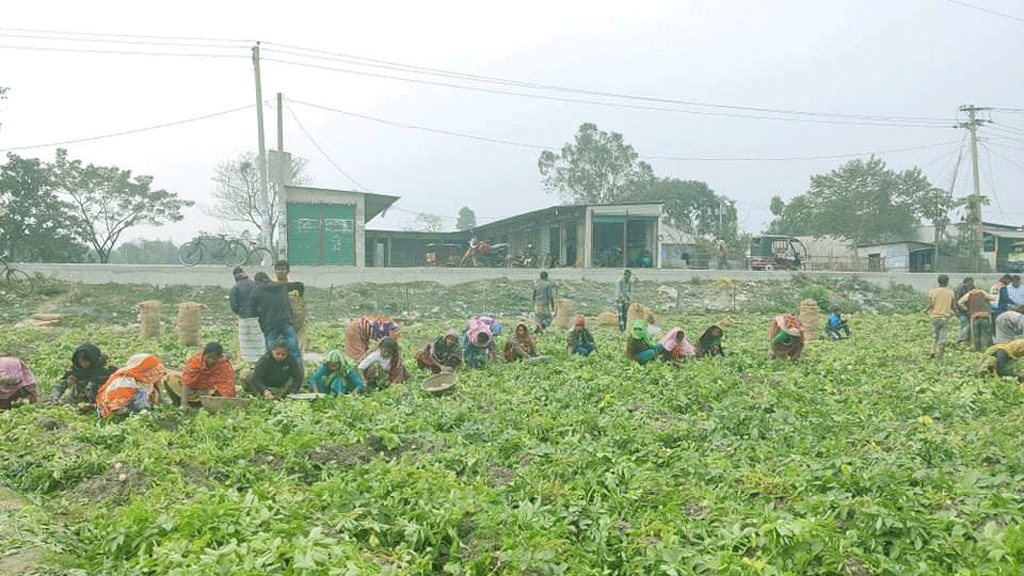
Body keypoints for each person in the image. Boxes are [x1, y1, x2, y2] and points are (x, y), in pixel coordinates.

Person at [249, 272, 302, 362]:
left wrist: (261, 314)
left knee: (271, 350)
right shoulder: (281, 286)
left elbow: (252, 310)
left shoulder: (256, 291)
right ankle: (297, 366)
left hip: (270, 324)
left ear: (257, 282)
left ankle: (270, 366)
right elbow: (299, 285)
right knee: (293, 347)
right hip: (286, 321)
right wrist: (301, 295)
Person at [95, 354, 166, 418]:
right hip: (119, 410)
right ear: (144, 368)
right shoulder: (125, 381)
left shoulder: (143, 379)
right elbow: (115, 406)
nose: (154, 373)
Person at [51, 342, 116, 405]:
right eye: (81, 362)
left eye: (86, 362)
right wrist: (56, 396)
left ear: (92, 359)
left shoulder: (105, 368)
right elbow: (62, 385)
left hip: (102, 397)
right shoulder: (76, 369)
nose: (83, 365)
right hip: (80, 398)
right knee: (71, 379)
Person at [177, 342, 235, 409]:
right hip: (192, 390)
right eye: (209, 357)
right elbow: (186, 382)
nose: (211, 361)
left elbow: (228, 387)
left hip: (210, 391)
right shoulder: (196, 361)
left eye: (214, 359)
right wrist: (184, 404)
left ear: (219, 358)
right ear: (204, 355)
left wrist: (226, 404)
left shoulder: (224, 366)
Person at [229, 267, 264, 363]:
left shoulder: (235, 288)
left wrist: (240, 312)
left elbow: (234, 305)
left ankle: (247, 360)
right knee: (258, 340)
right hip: (256, 316)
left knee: (246, 340)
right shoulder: (254, 284)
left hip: (244, 317)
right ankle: (260, 359)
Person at [273, 260, 308, 354]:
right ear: (274, 271)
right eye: (278, 269)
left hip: (293, 324)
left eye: (283, 269)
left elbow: (300, 309)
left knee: (295, 349)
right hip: (275, 324)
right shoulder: (270, 287)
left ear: (287, 271)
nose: (280, 271)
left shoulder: (294, 289)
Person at [926, 274, 955, 360]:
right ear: (947, 282)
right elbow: (953, 306)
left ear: (938, 282)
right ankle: (940, 356)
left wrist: (926, 310)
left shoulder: (932, 292)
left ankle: (932, 352)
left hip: (934, 317)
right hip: (944, 317)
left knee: (935, 335)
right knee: (942, 337)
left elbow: (930, 305)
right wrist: (956, 313)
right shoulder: (951, 292)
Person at [959, 284, 996, 351]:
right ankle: (990, 348)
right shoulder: (982, 292)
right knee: (988, 333)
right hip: (985, 315)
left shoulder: (969, 294)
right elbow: (992, 298)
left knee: (976, 334)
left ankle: (978, 350)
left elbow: (960, 302)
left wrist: (967, 308)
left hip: (975, 316)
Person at [953, 277, 975, 345]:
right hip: (962, 311)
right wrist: (965, 310)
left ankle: (964, 340)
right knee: (966, 325)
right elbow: (958, 302)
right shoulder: (960, 289)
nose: (971, 285)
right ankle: (963, 340)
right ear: (966, 282)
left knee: (965, 325)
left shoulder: (968, 288)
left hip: (966, 310)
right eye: (970, 283)